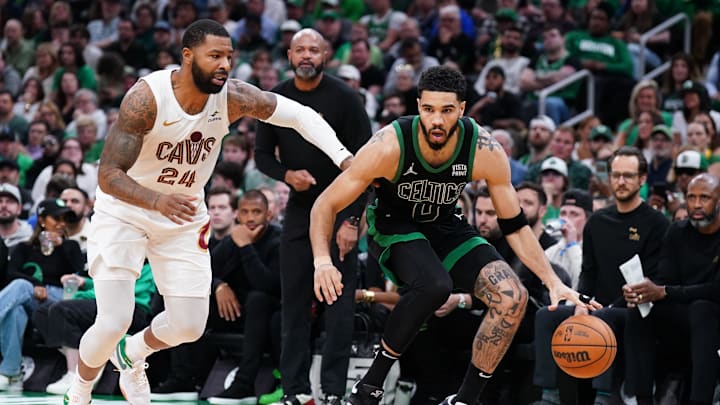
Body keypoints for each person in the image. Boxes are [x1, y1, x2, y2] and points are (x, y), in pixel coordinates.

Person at [64, 19, 354, 405]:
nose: (225, 64)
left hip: (181, 214)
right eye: (214, 55)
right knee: (113, 320)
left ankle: (131, 355)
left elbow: (299, 115)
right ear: (187, 57)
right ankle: (79, 389)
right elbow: (108, 174)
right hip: (126, 210)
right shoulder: (146, 98)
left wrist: (343, 158)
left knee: (188, 325)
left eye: (229, 57)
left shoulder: (232, 97)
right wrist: (155, 199)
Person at [309, 65, 586, 405]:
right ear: (418, 106)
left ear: (462, 110)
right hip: (395, 224)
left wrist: (552, 281)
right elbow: (324, 204)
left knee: (513, 298)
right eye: (428, 109)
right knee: (435, 284)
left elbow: (513, 223)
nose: (436, 120)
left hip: (445, 225)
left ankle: (463, 400)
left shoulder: (484, 149)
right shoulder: (389, 144)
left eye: (446, 110)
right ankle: (369, 387)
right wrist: (322, 260)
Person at [254, 28, 371, 405]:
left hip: (341, 209)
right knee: (294, 305)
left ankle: (334, 392)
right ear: (289, 55)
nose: (307, 55)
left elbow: (365, 164)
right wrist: (286, 175)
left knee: (340, 308)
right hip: (300, 210)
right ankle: (295, 391)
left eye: (314, 50)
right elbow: (261, 156)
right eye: (300, 49)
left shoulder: (345, 98)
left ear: (326, 56)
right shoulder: (275, 100)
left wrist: (352, 220)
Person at [532, 146, 669, 405]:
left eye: (628, 175)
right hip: (598, 304)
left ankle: (604, 397)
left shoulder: (658, 223)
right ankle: (548, 396)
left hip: (637, 309)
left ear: (642, 179)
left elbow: (653, 279)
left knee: (604, 316)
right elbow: (588, 273)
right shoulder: (597, 221)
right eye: (616, 175)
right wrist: (580, 302)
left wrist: (604, 307)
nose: (620, 181)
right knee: (546, 315)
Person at [623, 173, 720, 405]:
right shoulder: (677, 231)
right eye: (691, 197)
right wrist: (642, 291)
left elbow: (716, 290)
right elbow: (664, 279)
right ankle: (642, 398)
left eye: (705, 198)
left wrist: (665, 291)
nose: (696, 204)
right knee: (640, 310)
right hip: (683, 312)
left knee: (702, 308)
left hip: (712, 314)